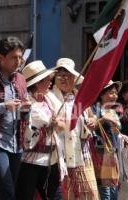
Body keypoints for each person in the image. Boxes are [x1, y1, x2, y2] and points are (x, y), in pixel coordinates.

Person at [0, 36, 31, 200]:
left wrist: (26, 109)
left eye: (20, 57)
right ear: (1, 58)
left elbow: (22, 109)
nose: (19, 61)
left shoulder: (21, 79)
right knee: (7, 191)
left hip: (17, 144)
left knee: (6, 192)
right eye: (14, 57)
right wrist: (4, 106)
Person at [16, 60, 65, 200]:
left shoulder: (49, 99)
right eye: (47, 80)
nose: (51, 82)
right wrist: (53, 121)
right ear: (37, 83)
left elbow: (63, 123)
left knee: (55, 196)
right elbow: (39, 121)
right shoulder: (26, 102)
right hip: (30, 162)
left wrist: (56, 122)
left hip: (51, 159)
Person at [51, 58, 99, 200]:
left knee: (89, 195)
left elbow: (92, 117)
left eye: (67, 75)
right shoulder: (49, 97)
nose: (63, 78)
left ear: (74, 77)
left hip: (82, 155)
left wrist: (93, 121)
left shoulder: (80, 97)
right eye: (60, 74)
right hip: (60, 157)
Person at [91, 81, 122, 200]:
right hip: (101, 154)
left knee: (113, 188)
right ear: (102, 94)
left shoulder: (113, 111)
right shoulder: (95, 109)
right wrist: (103, 119)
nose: (115, 96)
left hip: (112, 153)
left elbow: (116, 132)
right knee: (106, 190)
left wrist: (124, 137)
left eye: (115, 93)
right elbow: (91, 126)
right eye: (111, 93)